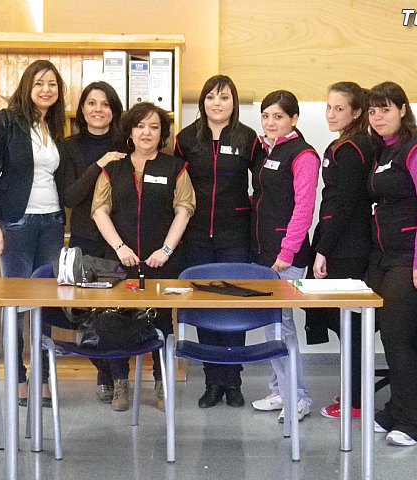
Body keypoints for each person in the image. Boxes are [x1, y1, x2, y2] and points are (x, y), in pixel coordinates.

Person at [91, 102, 195, 411]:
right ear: (130, 132)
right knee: (114, 321)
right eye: (140, 126)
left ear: (162, 134)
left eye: (154, 127)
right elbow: (99, 210)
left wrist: (166, 250)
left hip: (161, 263)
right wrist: (119, 247)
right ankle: (120, 383)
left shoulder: (175, 168)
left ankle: (162, 383)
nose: (146, 132)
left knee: (162, 321)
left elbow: (184, 210)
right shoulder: (114, 168)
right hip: (120, 262)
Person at [0, 59, 67, 406]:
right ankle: (17, 377)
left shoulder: (53, 125)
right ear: (27, 86)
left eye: (52, 84)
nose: (46, 90)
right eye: (39, 83)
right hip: (16, 224)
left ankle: (41, 377)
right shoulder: (6, 121)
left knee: (44, 304)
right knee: (15, 305)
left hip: (52, 222)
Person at [366, 81, 417, 445]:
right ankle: (398, 410)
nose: (378, 117)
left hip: (414, 259)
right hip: (387, 257)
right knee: (392, 332)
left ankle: (415, 422)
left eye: (385, 109)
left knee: (399, 333)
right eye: (372, 111)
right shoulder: (385, 151)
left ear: (402, 109)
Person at [174, 75, 261, 409]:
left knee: (234, 306)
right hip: (195, 235)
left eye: (224, 97)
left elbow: (264, 185)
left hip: (234, 234)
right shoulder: (186, 139)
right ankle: (212, 381)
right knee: (205, 306)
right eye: (211, 97)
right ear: (202, 102)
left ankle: (233, 381)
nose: (217, 103)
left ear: (233, 102)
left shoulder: (248, 138)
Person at [304, 82, 376, 420]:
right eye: (329, 107)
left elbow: (343, 206)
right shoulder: (348, 144)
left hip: (347, 247)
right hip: (347, 242)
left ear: (357, 112)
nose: (331, 114)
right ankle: (353, 390)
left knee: (351, 324)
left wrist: (323, 250)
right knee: (343, 321)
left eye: (339, 109)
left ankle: (356, 401)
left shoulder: (350, 149)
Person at [250, 90, 320, 422]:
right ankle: (281, 390)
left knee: (282, 326)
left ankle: (299, 397)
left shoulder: (303, 154)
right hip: (265, 249)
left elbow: (304, 209)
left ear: (294, 119)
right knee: (272, 325)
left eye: (278, 116)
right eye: (266, 116)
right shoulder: (269, 150)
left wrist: (287, 251)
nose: (270, 122)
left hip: (285, 254)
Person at [60, 81, 128, 410]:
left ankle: (118, 378)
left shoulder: (126, 143)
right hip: (84, 238)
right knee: (85, 314)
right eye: (91, 103)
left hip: (119, 239)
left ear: (114, 111)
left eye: (105, 104)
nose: (98, 109)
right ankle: (104, 370)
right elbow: (70, 197)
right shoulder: (69, 147)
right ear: (82, 109)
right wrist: (99, 164)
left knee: (116, 312)